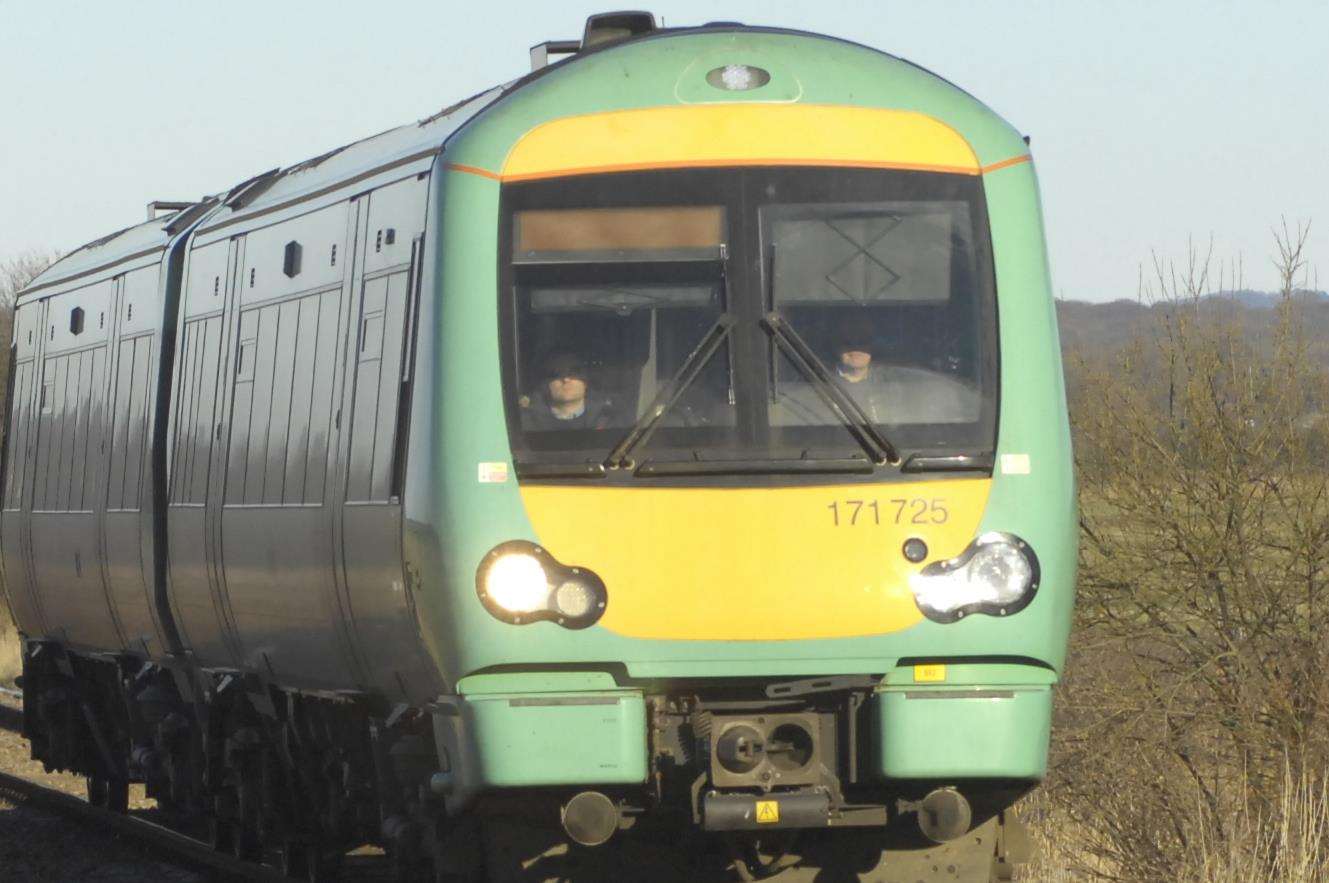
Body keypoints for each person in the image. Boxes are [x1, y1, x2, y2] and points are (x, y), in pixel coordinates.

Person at [523, 351, 615, 430]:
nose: (566, 379)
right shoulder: (526, 424)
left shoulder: (610, 420)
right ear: (545, 384)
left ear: (586, 380)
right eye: (556, 373)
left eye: (574, 372)